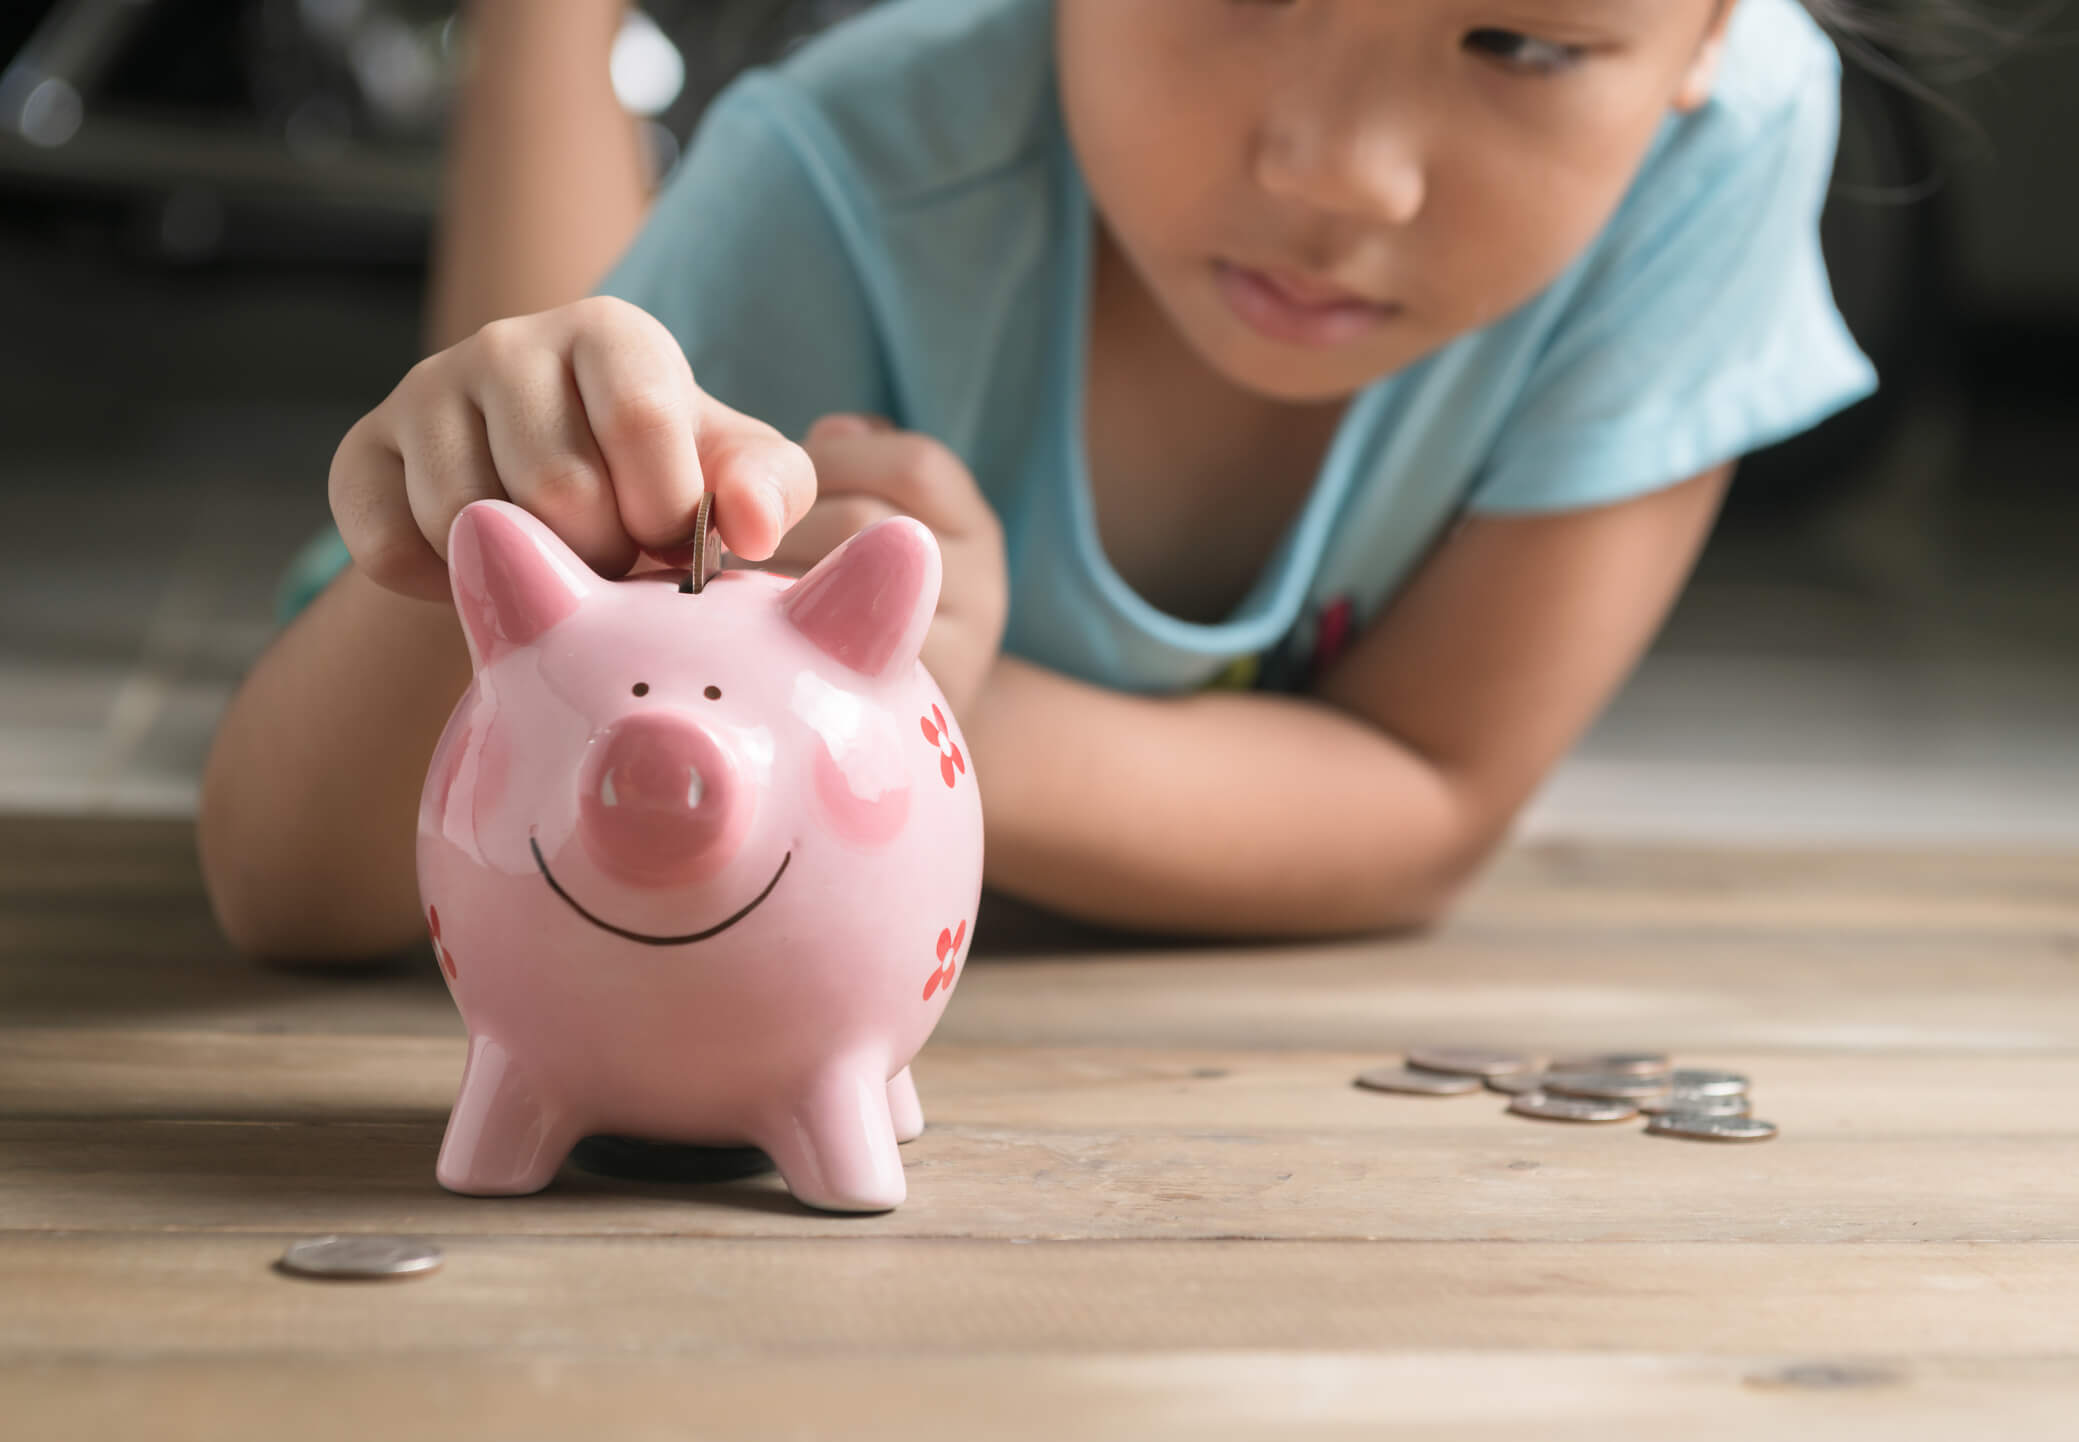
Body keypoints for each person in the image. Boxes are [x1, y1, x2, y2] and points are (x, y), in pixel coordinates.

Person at [199, 0, 1877, 960]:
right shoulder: (844, 172)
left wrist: (936, 719)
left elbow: (1426, 798)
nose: (1340, 175)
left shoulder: (1721, 137)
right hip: (445, 643)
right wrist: (507, 527)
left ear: (1712, 29)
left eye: (1518, 38)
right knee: (572, 405)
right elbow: (295, 888)